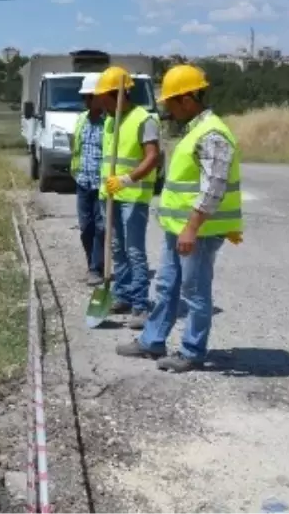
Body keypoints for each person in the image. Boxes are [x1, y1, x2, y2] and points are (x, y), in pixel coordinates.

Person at [117, 64, 242, 372]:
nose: (168, 111)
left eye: (171, 103)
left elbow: (214, 185)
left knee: (195, 291)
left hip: (195, 231)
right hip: (180, 228)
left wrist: (193, 227)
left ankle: (192, 351)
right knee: (166, 285)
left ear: (187, 99)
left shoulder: (212, 134)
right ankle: (152, 340)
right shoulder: (194, 130)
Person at [95, 66, 161, 330]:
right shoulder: (111, 119)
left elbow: (152, 157)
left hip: (133, 195)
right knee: (116, 249)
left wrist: (126, 179)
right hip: (109, 194)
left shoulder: (144, 119)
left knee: (134, 251)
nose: (100, 101)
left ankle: (140, 305)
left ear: (119, 94)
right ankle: (121, 296)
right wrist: (110, 185)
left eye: (104, 96)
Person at [71, 73, 106, 286]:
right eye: (85, 97)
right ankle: (92, 263)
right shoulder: (81, 119)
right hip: (83, 181)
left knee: (102, 227)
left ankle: (96, 268)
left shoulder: (110, 122)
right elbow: (76, 147)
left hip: (102, 184)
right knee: (86, 227)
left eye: (89, 96)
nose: (86, 101)